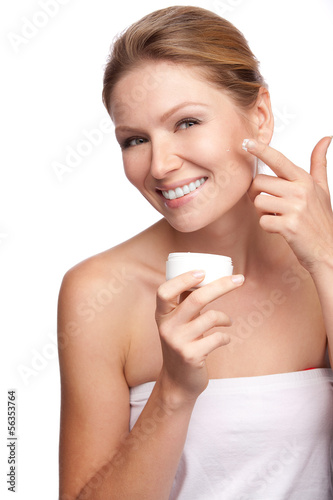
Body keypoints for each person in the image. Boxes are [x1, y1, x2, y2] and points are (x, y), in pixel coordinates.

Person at [57, 5, 333, 499]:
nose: (160, 165)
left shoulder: (324, 260)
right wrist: (175, 392)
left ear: (261, 116)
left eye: (186, 122)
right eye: (135, 139)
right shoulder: (98, 293)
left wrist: (327, 262)